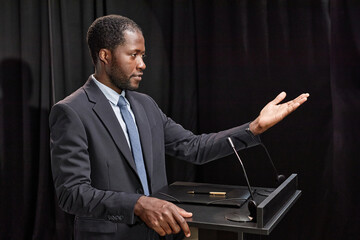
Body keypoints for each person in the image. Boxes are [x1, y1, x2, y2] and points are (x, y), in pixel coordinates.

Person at [49, 14, 309, 240]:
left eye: (143, 55)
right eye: (133, 55)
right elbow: (72, 193)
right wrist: (138, 204)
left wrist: (254, 128)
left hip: (162, 234)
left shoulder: (145, 104)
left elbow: (193, 147)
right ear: (105, 56)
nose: (142, 64)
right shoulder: (71, 111)